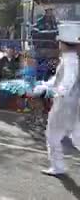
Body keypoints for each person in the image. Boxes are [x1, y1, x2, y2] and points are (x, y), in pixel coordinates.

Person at [32, 22, 80, 176]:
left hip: (65, 105)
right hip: (72, 104)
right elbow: (60, 79)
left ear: (63, 43)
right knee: (76, 137)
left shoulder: (70, 60)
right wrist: (46, 85)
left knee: (53, 136)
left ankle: (58, 166)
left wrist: (53, 91)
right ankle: (57, 166)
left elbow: (67, 82)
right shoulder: (70, 58)